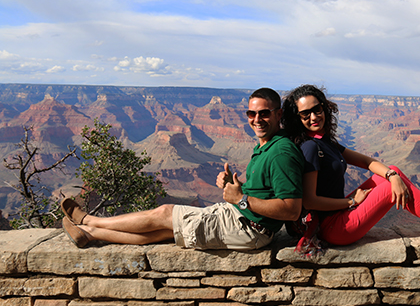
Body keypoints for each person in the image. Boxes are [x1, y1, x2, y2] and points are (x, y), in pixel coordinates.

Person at [61, 87, 304, 250]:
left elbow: (292, 210)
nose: (256, 119)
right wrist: (234, 185)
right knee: (162, 232)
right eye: (251, 113)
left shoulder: (281, 152)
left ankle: (88, 220)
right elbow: (265, 191)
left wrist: (241, 199)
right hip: (241, 220)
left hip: (248, 228)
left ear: (278, 114)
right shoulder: (266, 145)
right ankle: (90, 233)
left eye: (264, 113)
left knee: (164, 213)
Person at [281, 84, 420, 250]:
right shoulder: (310, 147)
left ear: (324, 107)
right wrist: (351, 201)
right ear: (297, 118)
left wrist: (392, 175)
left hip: (340, 215)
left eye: (317, 109)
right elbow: (310, 200)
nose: (313, 117)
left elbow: (366, 162)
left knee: (392, 170)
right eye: (305, 114)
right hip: (333, 228)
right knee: (390, 188)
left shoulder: (323, 141)